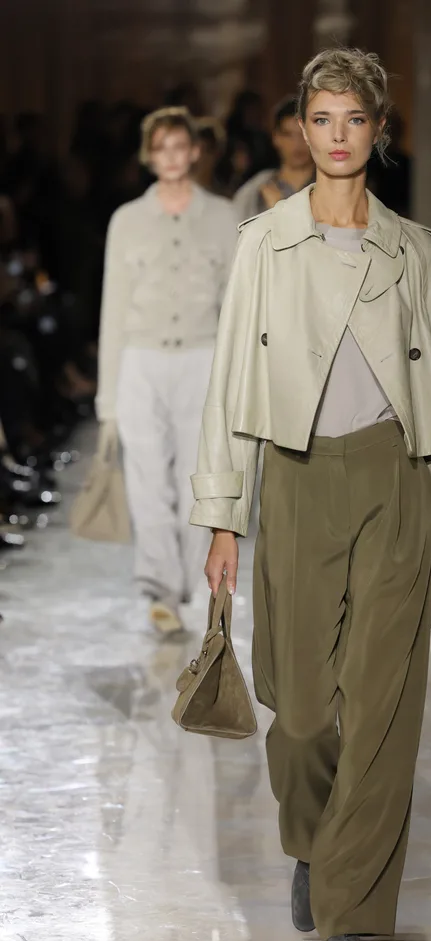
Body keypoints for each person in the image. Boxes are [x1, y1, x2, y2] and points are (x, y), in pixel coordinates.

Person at [191, 49, 431, 941]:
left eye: (355, 119)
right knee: (304, 711)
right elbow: (231, 378)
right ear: (302, 130)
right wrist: (224, 512)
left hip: (396, 483)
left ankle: (353, 910)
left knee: (384, 709)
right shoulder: (264, 243)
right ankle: (312, 839)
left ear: (377, 129)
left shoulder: (414, 250)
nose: (339, 135)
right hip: (298, 477)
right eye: (323, 119)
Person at [96, 107, 239, 634]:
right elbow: (113, 308)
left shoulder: (223, 217)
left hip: (202, 355)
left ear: (194, 151)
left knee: (197, 480)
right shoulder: (127, 220)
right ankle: (160, 593)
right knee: (147, 479)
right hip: (141, 359)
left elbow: (233, 303)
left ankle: (197, 585)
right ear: (149, 155)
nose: (173, 158)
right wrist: (107, 401)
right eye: (162, 149)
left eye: (180, 147)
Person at [232, 96, 314, 222]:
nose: (297, 143)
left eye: (303, 134)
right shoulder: (254, 192)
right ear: (276, 137)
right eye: (288, 135)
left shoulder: (331, 188)